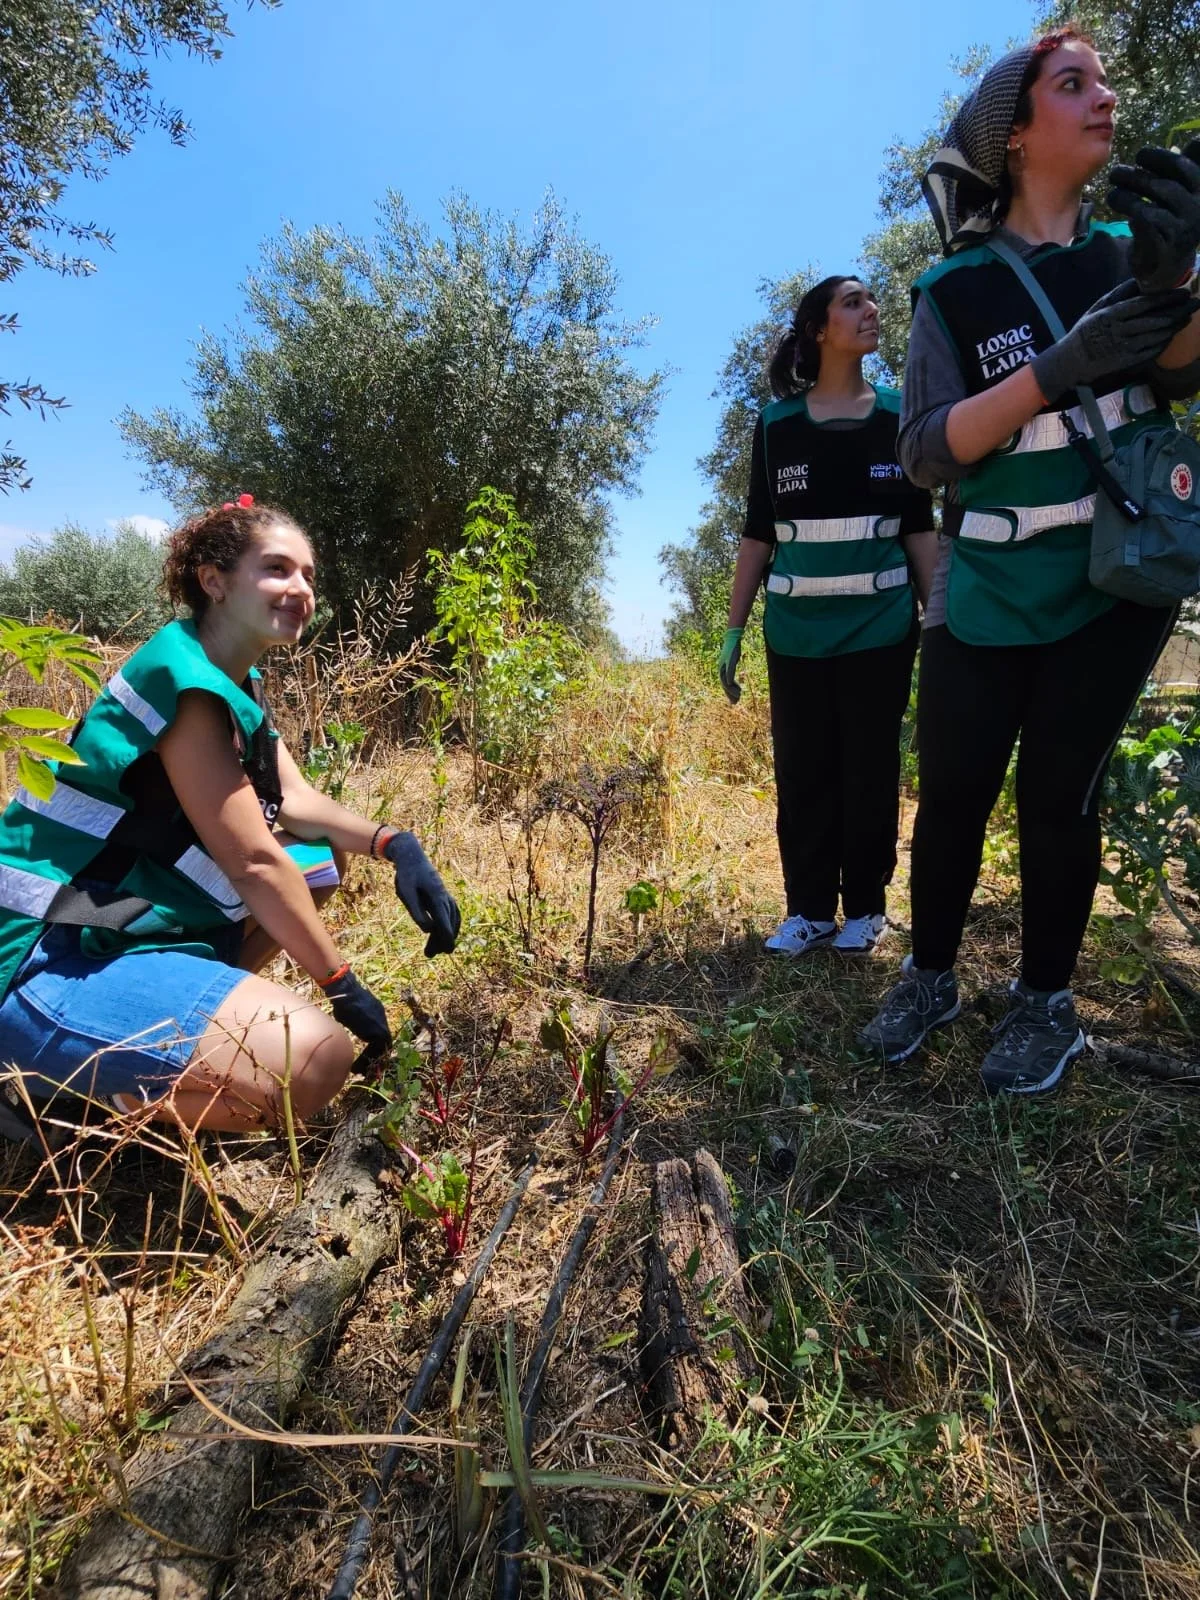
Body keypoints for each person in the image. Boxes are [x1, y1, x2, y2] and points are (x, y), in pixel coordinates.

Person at [858, 30, 1200, 1094]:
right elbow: (921, 451)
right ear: (1014, 135)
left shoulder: (1123, 253)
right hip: (985, 583)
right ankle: (928, 974)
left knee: (1060, 793)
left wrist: (1182, 278)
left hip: (1113, 580)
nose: (1106, 94)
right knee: (954, 788)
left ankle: (1046, 1001)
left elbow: (1178, 379)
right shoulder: (952, 289)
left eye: (1104, 80)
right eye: (1075, 83)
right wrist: (1053, 370)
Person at [0, 497, 460, 1137]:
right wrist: (340, 984)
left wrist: (397, 844)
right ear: (213, 581)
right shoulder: (186, 682)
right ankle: (59, 1106)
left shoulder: (229, 678)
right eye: (277, 569)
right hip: (35, 955)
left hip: (107, 918)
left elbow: (297, 804)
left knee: (321, 859)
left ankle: (167, 1038)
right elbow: (252, 861)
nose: (300, 589)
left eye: (308, 575)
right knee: (318, 1060)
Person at [720, 276, 937, 956]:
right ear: (818, 329)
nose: (870, 311)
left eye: (871, 301)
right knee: (804, 772)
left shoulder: (899, 416)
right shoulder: (776, 424)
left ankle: (867, 908)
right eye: (853, 302)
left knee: (869, 769)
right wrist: (732, 631)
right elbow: (759, 531)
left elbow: (918, 528)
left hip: (881, 631)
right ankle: (809, 910)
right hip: (795, 635)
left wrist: (943, 626)